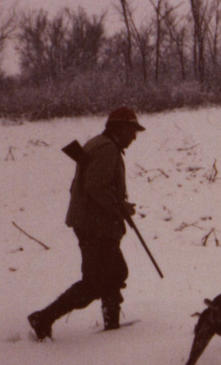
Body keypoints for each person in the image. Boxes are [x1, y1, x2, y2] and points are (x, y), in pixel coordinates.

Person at [28, 106, 145, 339]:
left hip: (96, 223)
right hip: (95, 226)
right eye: (132, 131)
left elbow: (94, 186)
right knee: (94, 283)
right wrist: (120, 207)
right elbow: (96, 187)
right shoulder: (107, 149)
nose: (134, 137)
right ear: (119, 128)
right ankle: (43, 318)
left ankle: (111, 324)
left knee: (115, 272)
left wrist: (119, 207)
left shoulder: (101, 144)